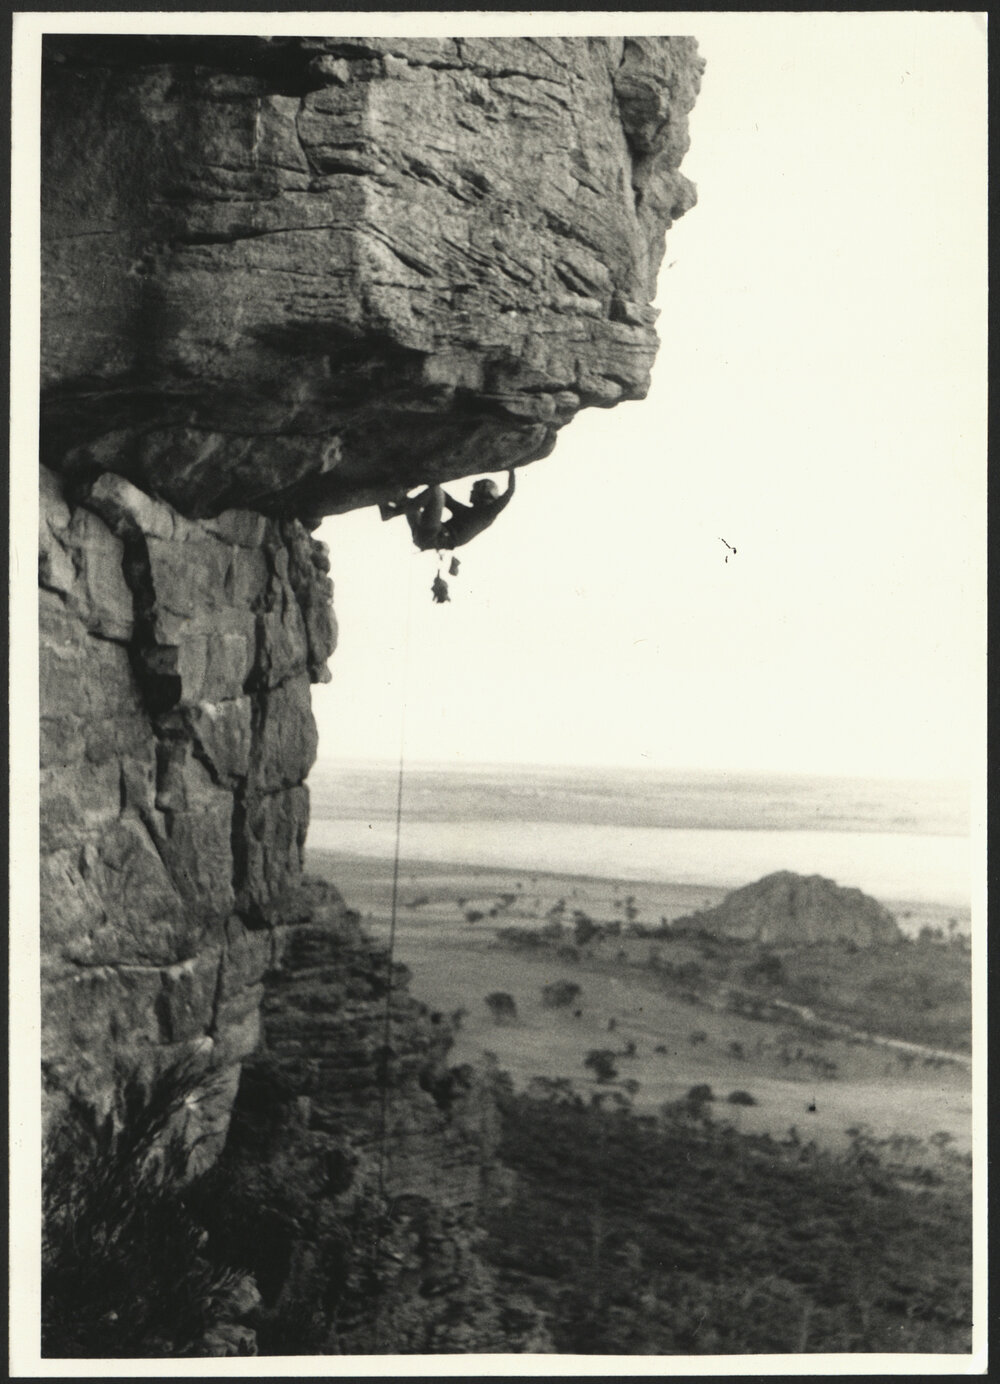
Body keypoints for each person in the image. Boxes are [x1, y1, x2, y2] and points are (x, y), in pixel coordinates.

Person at [379, 469, 516, 551]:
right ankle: (390, 512)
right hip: (423, 537)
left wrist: (512, 469)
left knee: (435, 491)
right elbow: (446, 499)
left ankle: (394, 511)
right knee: (429, 497)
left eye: (475, 490)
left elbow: (509, 493)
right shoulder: (469, 514)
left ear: (484, 495)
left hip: (433, 535)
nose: (471, 492)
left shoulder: (487, 514)